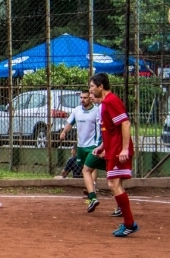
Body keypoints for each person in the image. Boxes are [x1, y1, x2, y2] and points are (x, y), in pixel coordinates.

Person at [89, 73, 138, 237]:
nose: (90, 90)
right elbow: (111, 130)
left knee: (113, 184)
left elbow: (125, 123)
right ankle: (129, 223)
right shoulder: (105, 104)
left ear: (100, 86)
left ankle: (129, 223)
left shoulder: (111, 101)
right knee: (114, 184)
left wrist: (124, 149)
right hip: (113, 150)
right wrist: (103, 147)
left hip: (118, 151)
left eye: (91, 87)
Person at [58, 91, 102, 212]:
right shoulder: (76, 110)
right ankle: (91, 190)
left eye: (85, 98)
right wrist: (64, 132)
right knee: (86, 168)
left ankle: (92, 190)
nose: (82, 100)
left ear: (90, 99)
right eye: (81, 98)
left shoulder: (97, 110)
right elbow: (70, 123)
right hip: (81, 145)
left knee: (90, 167)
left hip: (93, 144)